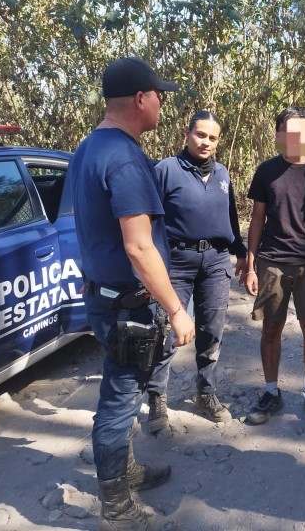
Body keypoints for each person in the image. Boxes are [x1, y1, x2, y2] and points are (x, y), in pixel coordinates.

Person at [69, 56, 194, 531]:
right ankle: (117, 510)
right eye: (158, 94)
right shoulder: (123, 157)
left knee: (123, 389)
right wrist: (177, 309)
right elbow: (139, 247)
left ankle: (128, 473)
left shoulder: (87, 148)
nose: (161, 102)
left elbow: (86, 223)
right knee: (118, 402)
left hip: (105, 295)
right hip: (127, 303)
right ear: (141, 99)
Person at [147, 110, 247, 429]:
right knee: (165, 331)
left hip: (216, 262)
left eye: (212, 138)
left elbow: (231, 218)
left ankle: (206, 393)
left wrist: (241, 253)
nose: (206, 142)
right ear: (186, 133)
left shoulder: (222, 174)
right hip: (176, 262)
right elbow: (147, 220)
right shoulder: (165, 170)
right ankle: (156, 400)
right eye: (200, 134)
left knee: (211, 331)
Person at [244, 107, 305, 429]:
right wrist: (252, 265)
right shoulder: (266, 171)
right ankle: (271, 392)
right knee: (271, 328)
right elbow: (257, 218)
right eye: (289, 131)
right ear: (278, 135)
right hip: (272, 263)